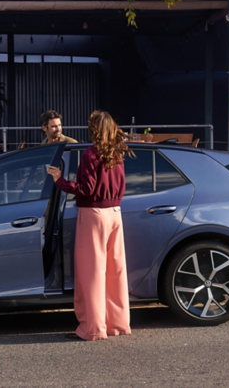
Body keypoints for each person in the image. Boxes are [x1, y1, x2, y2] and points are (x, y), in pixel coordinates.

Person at [47, 110, 134, 341]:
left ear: (94, 129)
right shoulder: (117, 154)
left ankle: (93, 328)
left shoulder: (90, 154)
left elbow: (86, 189)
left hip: (93, 214)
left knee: (92, 273)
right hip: (115, 213)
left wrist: (60, 181)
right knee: (115, 271)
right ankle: (117, 324)